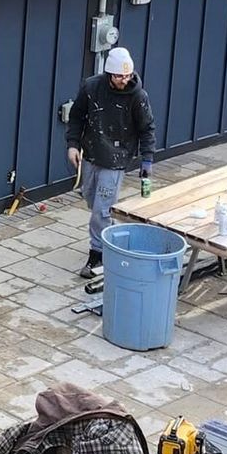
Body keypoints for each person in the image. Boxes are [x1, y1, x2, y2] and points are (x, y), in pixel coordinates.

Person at [66, 45, 156, 279]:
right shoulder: (91, 88)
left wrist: (147, 159)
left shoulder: (138, 96)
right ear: (108, 74)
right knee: (91, 199)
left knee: (102, 209)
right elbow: (76, 116)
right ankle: (113, 237)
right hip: (92, 151)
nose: (124, 80)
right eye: (119, 76)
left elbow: (147, 128)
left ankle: (98, 254)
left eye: (127, 75)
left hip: (117, 156)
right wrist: (73, 145)